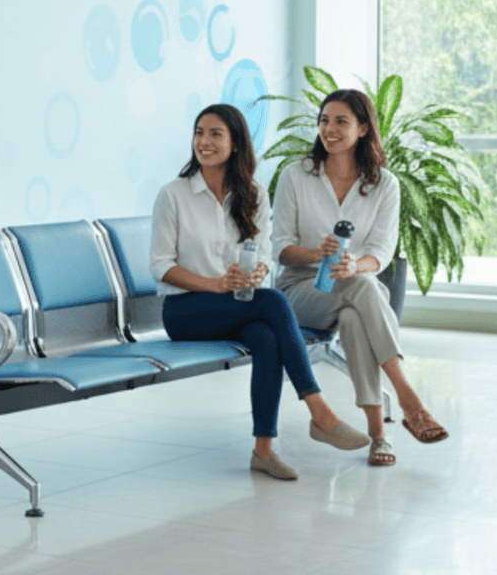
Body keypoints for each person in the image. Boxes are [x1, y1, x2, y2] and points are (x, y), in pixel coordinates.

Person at [152, 104, 371, 480]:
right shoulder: (174, 194)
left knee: (267, 336)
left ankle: (263, 451)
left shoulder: (252, 193)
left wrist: (254, 275)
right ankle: (320, 411)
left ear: (236, 144)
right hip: (184, 311)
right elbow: (160, 266)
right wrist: (216, 284)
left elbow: (266, 256)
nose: (204, 141)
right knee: (273, 301)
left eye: (215, 134)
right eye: (199, 132)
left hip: (236, 306)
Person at [273, 88, 449, 468]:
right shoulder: (295, 176)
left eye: (341, 121)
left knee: (356, 310)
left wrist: (354, 266)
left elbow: (381, 253)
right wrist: (316, 255)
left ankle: (378, 436)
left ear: (364, 128)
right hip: (299, 291)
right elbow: (281, 248)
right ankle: (407, 398)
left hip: (352, 286)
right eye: (324, 120)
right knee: (363, 289)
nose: (329, 129)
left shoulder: (385, 184)